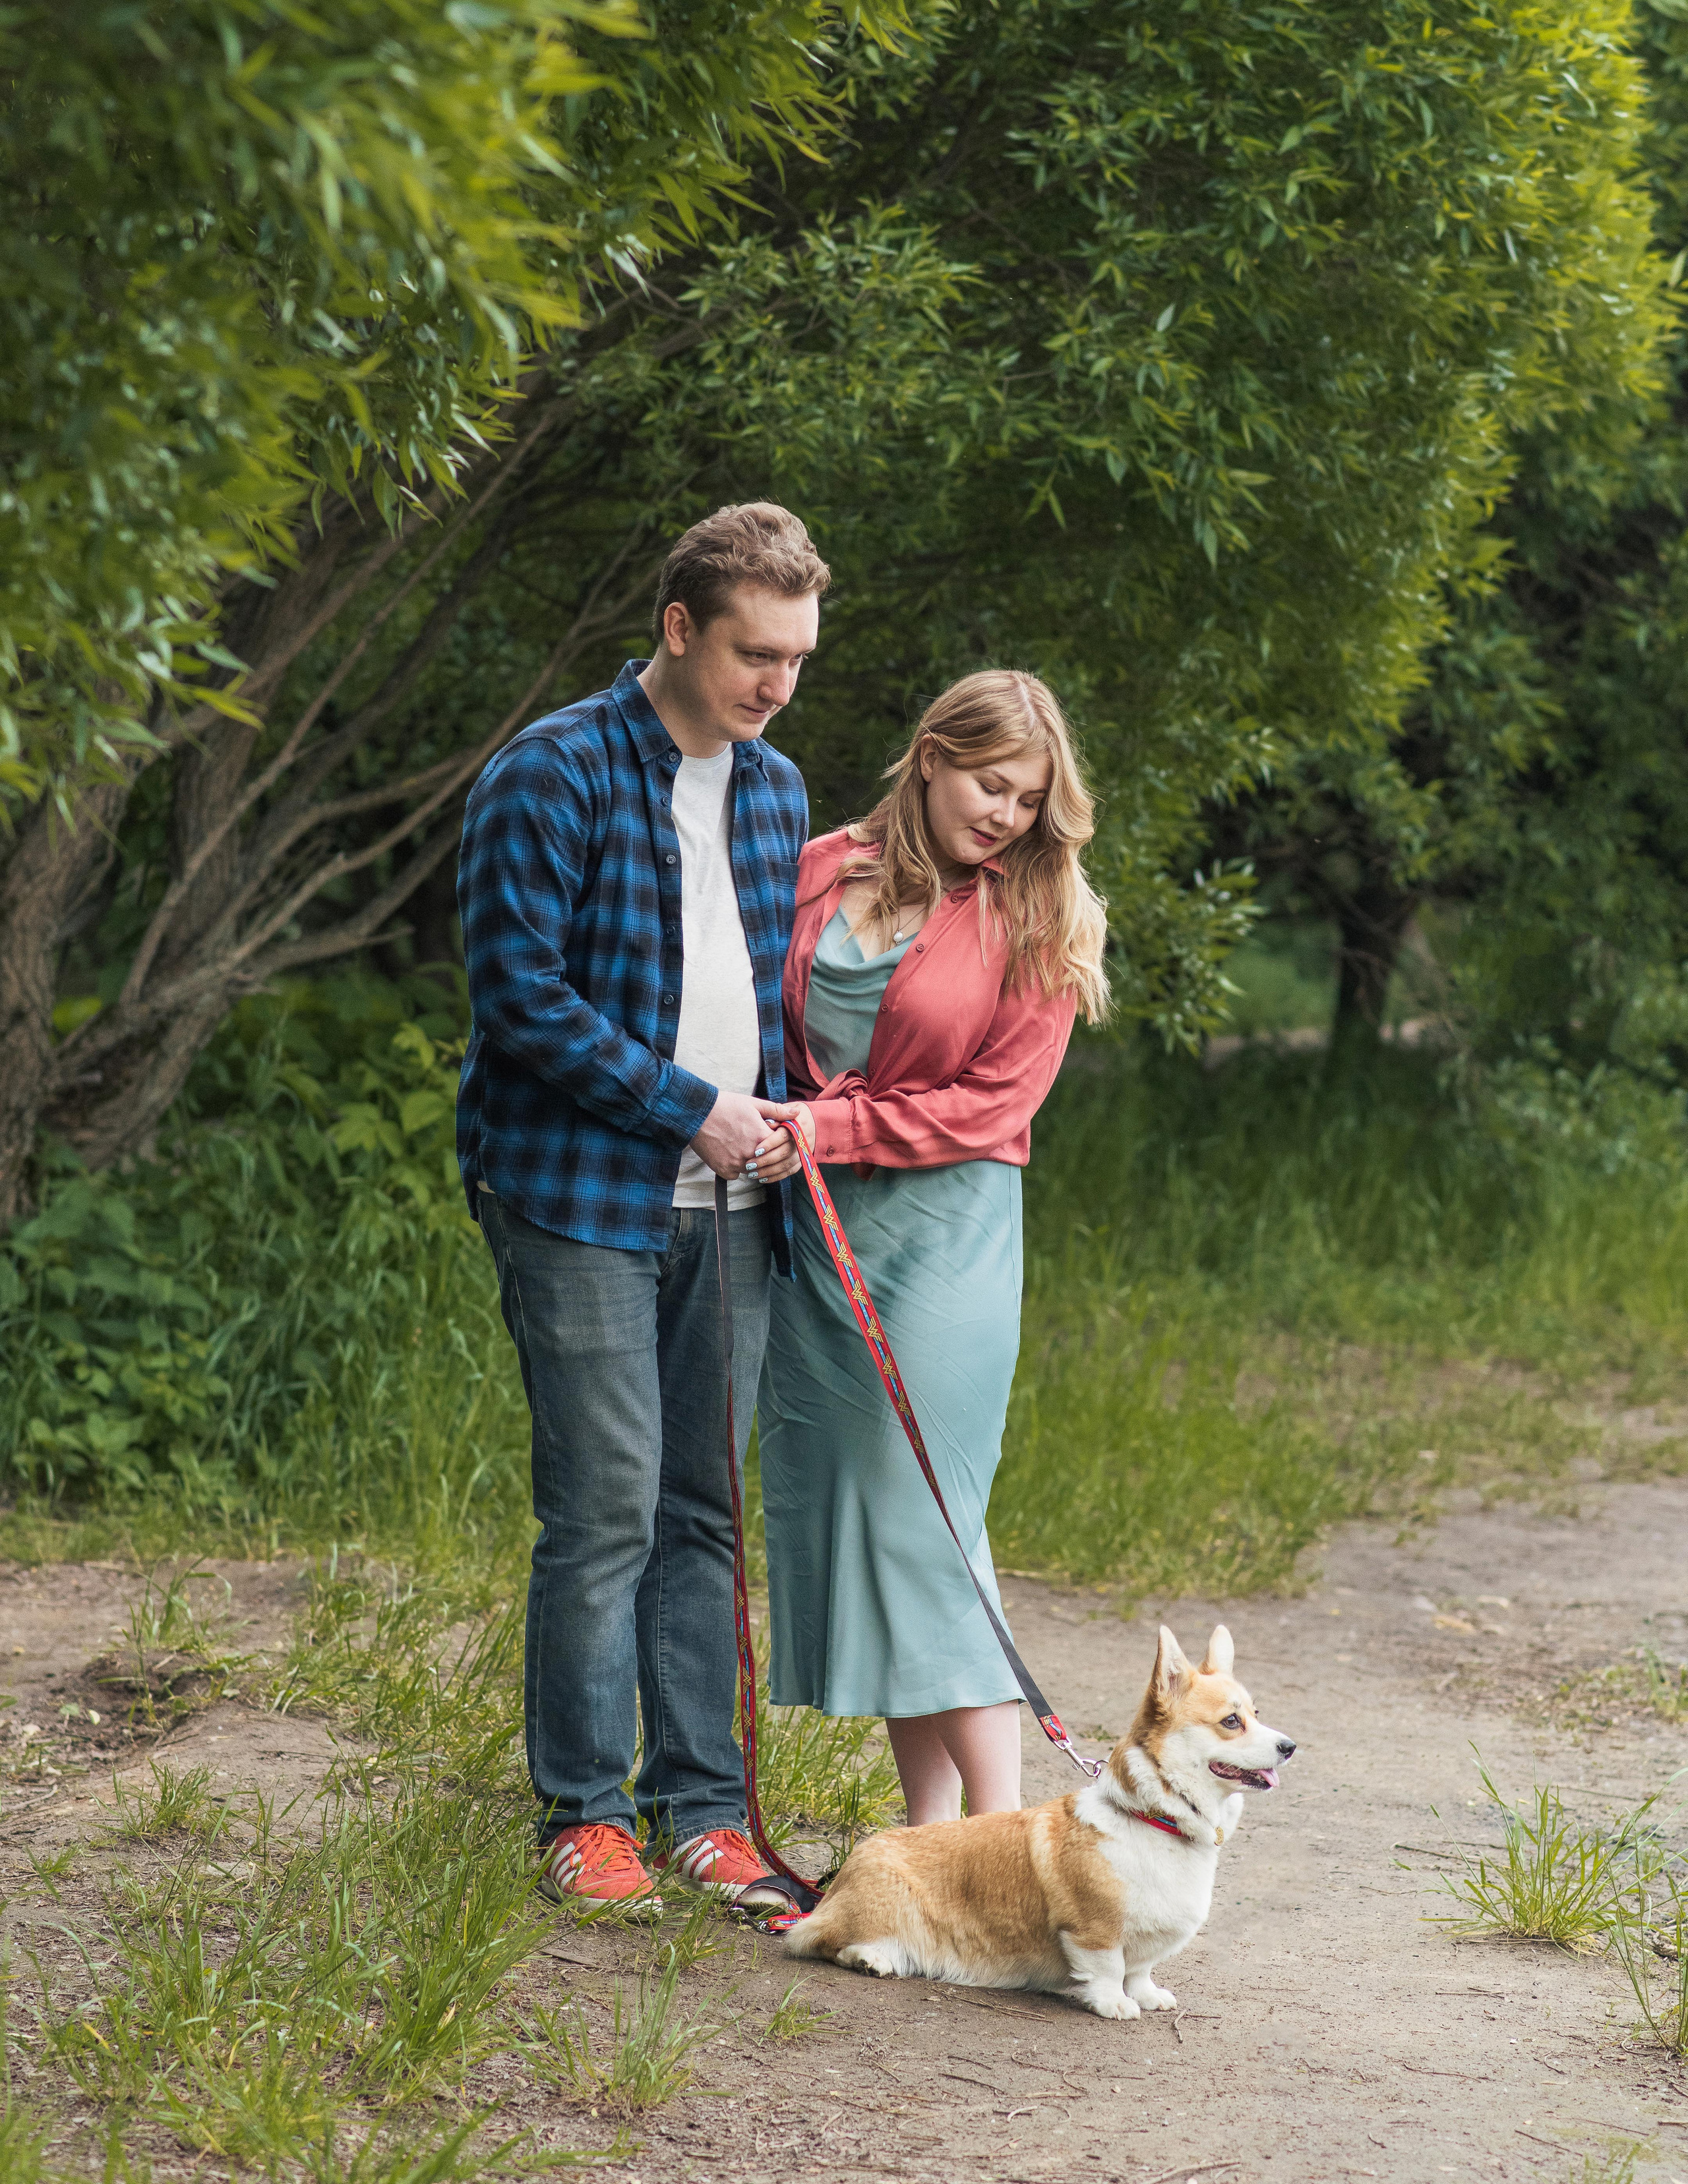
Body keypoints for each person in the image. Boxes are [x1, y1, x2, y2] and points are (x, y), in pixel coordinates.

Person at [456, 502, 819, 1916]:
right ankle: (585, 1814)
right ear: (678, 626)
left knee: (703, 1509)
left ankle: (704, 1810)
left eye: (796, 658)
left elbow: (768, 987)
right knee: (606, 1507)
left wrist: (780, 1114)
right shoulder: (551, 770)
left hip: (733, 1205)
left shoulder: (777, 790)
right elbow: (520, 997)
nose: (777, 683)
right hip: (578, 1197)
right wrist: (690, 1107)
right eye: (754, 653)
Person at [758, 670, 1110, 1825]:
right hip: (820, 1236)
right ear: (930, 757)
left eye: (1029, 798)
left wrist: (831, 1127)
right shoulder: (818, 868)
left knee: (929, 1524)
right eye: (989, 783)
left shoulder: (1041, 912)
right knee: (875, 1522)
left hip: (946, 1234)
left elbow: (994, 1105)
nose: (1007, 814)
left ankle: (1003, 1840)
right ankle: (930, 1835)